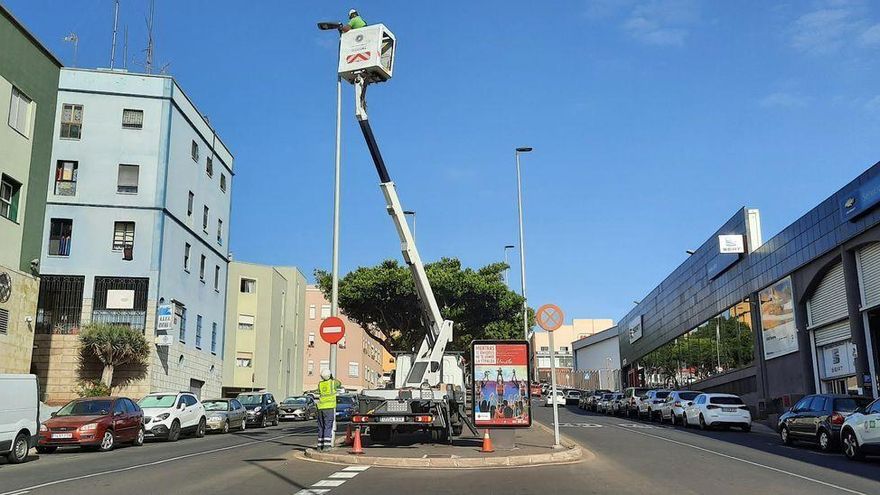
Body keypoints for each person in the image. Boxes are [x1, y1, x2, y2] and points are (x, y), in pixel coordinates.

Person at [316, 369, 342, 451]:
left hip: (320, 407)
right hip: (329, 407)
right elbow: (339, 383)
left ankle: (319, 445)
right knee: (328, 426)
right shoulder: (333, 383)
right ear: (330, 375)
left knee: (321, 426)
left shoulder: (320, 384)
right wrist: (332, 378)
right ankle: (327, 446)